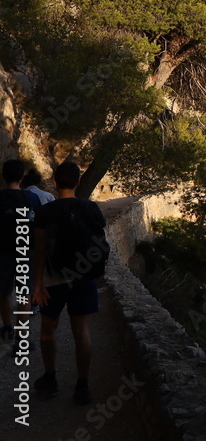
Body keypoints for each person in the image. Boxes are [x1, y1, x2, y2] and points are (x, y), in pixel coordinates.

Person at [32, 161, 105, 405]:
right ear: (77, 182)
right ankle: (82, 386)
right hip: (83, 279)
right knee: (81, 332)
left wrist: (38, 285)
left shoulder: (46, 212)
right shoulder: (91, 208)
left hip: (53, 282)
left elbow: (40, 251)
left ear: (54, 182)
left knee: (48, 331)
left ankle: (50, 379)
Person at [0, 159, 41, 343]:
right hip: (25, 251)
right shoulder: (31, 198)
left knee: (4, 292)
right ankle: (21, 338)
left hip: (3, 252)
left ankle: (7, 328)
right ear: (22, 177)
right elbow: (40, 227)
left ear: (3, 176)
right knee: (24, 294)